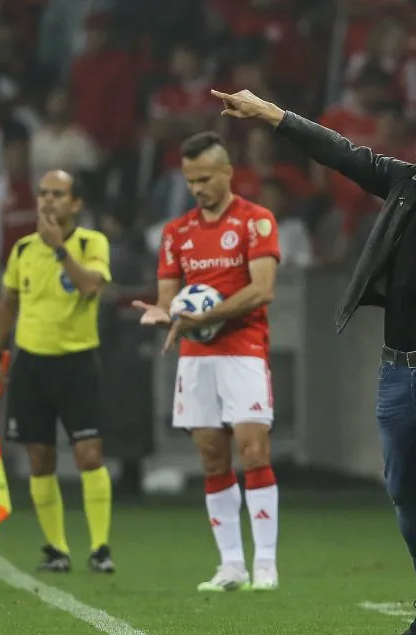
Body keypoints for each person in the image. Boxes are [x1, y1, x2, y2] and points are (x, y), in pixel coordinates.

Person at [210, 89, 416, 635]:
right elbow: (341, 152)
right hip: (397, 366)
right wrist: (273, 114)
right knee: (401, 486)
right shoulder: (403, 183)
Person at [133, 132, 282, 592]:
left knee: (253, 450)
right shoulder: (175, 233)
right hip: (196, 357)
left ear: (227, 173)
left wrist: (203, 315)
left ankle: (267, 565)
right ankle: (231, 565)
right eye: (190, 180)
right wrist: (166, 315)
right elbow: (167, 299)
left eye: (204, 178)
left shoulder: (256, 222)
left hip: (243, 350)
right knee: (212, 457)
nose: (197, 188)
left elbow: (262, 290)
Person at [0, 170, 115, 574]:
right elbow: (8, 302)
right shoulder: (23, 249)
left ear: (76, 203)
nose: (47, 201)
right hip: (32, 365)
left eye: (57, 194)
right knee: (39, 459)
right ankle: (57, 549)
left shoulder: (91, 243)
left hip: (77, 362)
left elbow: (91, 286)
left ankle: (99, 548)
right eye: (43, 193)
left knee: (88, 454)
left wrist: (60, 251)